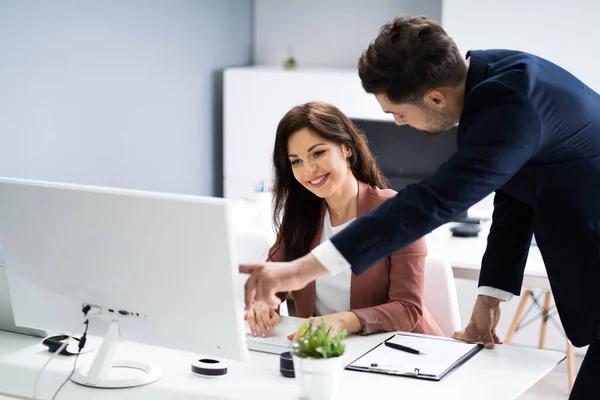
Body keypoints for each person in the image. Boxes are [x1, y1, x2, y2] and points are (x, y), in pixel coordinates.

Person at [240, 16, 600, 398]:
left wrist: (301, 269)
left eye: (398, 113)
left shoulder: (512, 104)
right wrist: (489, 300)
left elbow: (430, 203)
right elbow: (516, 196)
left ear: (435, 98)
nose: (397, 123)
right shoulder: (496, 79)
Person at [244, 101, 444, 340]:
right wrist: (263, 304)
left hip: (401, 353)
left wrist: (343, 321)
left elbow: (407, 309)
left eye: (318, 153)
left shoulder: (397, 212)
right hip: (333, 353)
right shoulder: (301, 216)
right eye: (296, 161)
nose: (308, 170)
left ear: (346, 148)